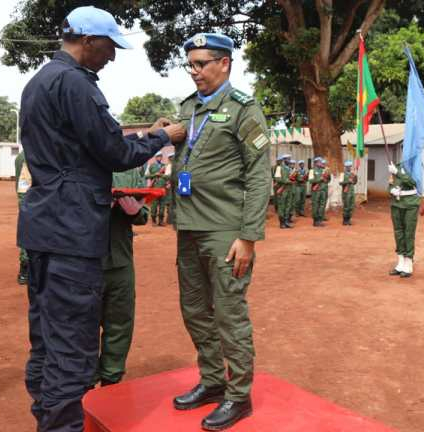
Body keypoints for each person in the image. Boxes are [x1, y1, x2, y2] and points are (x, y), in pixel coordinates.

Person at [17, 6, 185, 431]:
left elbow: (78, 145)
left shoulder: (39, 82)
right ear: (88, 41)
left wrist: (146, 133)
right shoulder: (75, 83)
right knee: (73, 348)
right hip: (73, 231)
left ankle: (45, 419)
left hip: (43, 227)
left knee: (47, 339)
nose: (111, 56)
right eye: (109, 46)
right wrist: (162, 138)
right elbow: (113, 152)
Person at [171, 32, 270, 430]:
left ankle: (238, 395)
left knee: (229, 313)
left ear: (224, 63)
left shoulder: (244, 109)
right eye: (190, 64)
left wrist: (248, 236)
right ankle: (212, 381)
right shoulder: (188, 108)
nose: (194, 71)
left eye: (201, 64)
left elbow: (259, 175)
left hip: (225, 231)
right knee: (194, 310)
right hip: (188, 226)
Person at [96, 167, 148, 386]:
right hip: (84, 263)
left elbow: (143, 216)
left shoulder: (129, 169)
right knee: (82, 326)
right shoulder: (75, 159)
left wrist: (134, 211)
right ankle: (84, 381)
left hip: (120, 261)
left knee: (119, 324)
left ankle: (111, 378)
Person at [387, 159, 420, 278]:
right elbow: (390, 183)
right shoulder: (395, 166)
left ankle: (409, 261)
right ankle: (400, 260)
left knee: (408, 232)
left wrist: (397, 172)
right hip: (396, 203)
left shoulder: (416, 165)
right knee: (398, 232)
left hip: (410, 204)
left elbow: (413, 182)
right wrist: (391, 190)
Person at [15, 150, 31, 285]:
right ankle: (25, 268)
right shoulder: (29, 155)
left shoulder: (22, 155)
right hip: (31, 199)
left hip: (27, 198)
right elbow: (24, 186)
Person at [147, 152, 170, 225]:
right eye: (158, 156)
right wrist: (154, 174)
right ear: (155, 157)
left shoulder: (165, 166)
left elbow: (168, 176)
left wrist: (167, 182)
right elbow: (146, 176)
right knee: (154, 205)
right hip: (155, 189)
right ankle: (153, 220)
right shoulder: (151, 166)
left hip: (163, 189)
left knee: (162, 205)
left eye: (160, 156)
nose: (159, 158)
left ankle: (161, 221)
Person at [273, 154, 293, 229]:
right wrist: (286, 181)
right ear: (284, 160)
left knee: (288, 206)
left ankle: (286, 221)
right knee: (282, 206)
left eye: (289, 159)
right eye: (288, 159)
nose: (289, 161)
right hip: (283, 189)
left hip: (289, 189)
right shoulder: (279, 168)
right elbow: (277, 178)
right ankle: (282, 223)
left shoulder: (289, 169)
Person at [309, 157, 330, 227]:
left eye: (321, 162)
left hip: (323, 190)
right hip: (316, 191)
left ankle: (320, 220)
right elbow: (311, 181)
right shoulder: (312, 171)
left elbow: (328, 180)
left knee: (322, 205)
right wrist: (319, 179)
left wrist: (327, 175)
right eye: (320, 162)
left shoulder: (323, 170)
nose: (321, 163)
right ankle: (315, 220)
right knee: (316, 205)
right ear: (316, 163)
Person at [339, 160, 358, 225]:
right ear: (345, 167)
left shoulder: (352, 174)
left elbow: (355, 182)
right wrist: (347, 181)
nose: (349, 168)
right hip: (346, 193)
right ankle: (345, 220)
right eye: (348, 166)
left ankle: (349, 219)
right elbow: (340, 183)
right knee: (346, 206)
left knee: (351, 206)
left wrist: (355, 176)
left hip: (352, 192)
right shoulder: (342, 174)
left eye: (350, 166)